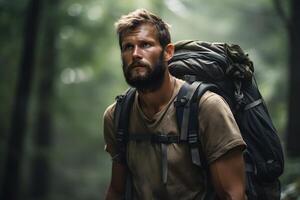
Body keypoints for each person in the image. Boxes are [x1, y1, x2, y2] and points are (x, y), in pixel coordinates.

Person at [103, 8, 247, 200]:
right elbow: (116, 191)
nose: (135, 54)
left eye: (145, 44)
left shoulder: (207, 107)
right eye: (128, 47)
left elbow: (233, 195)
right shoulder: (118, 116)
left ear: (167, 52)